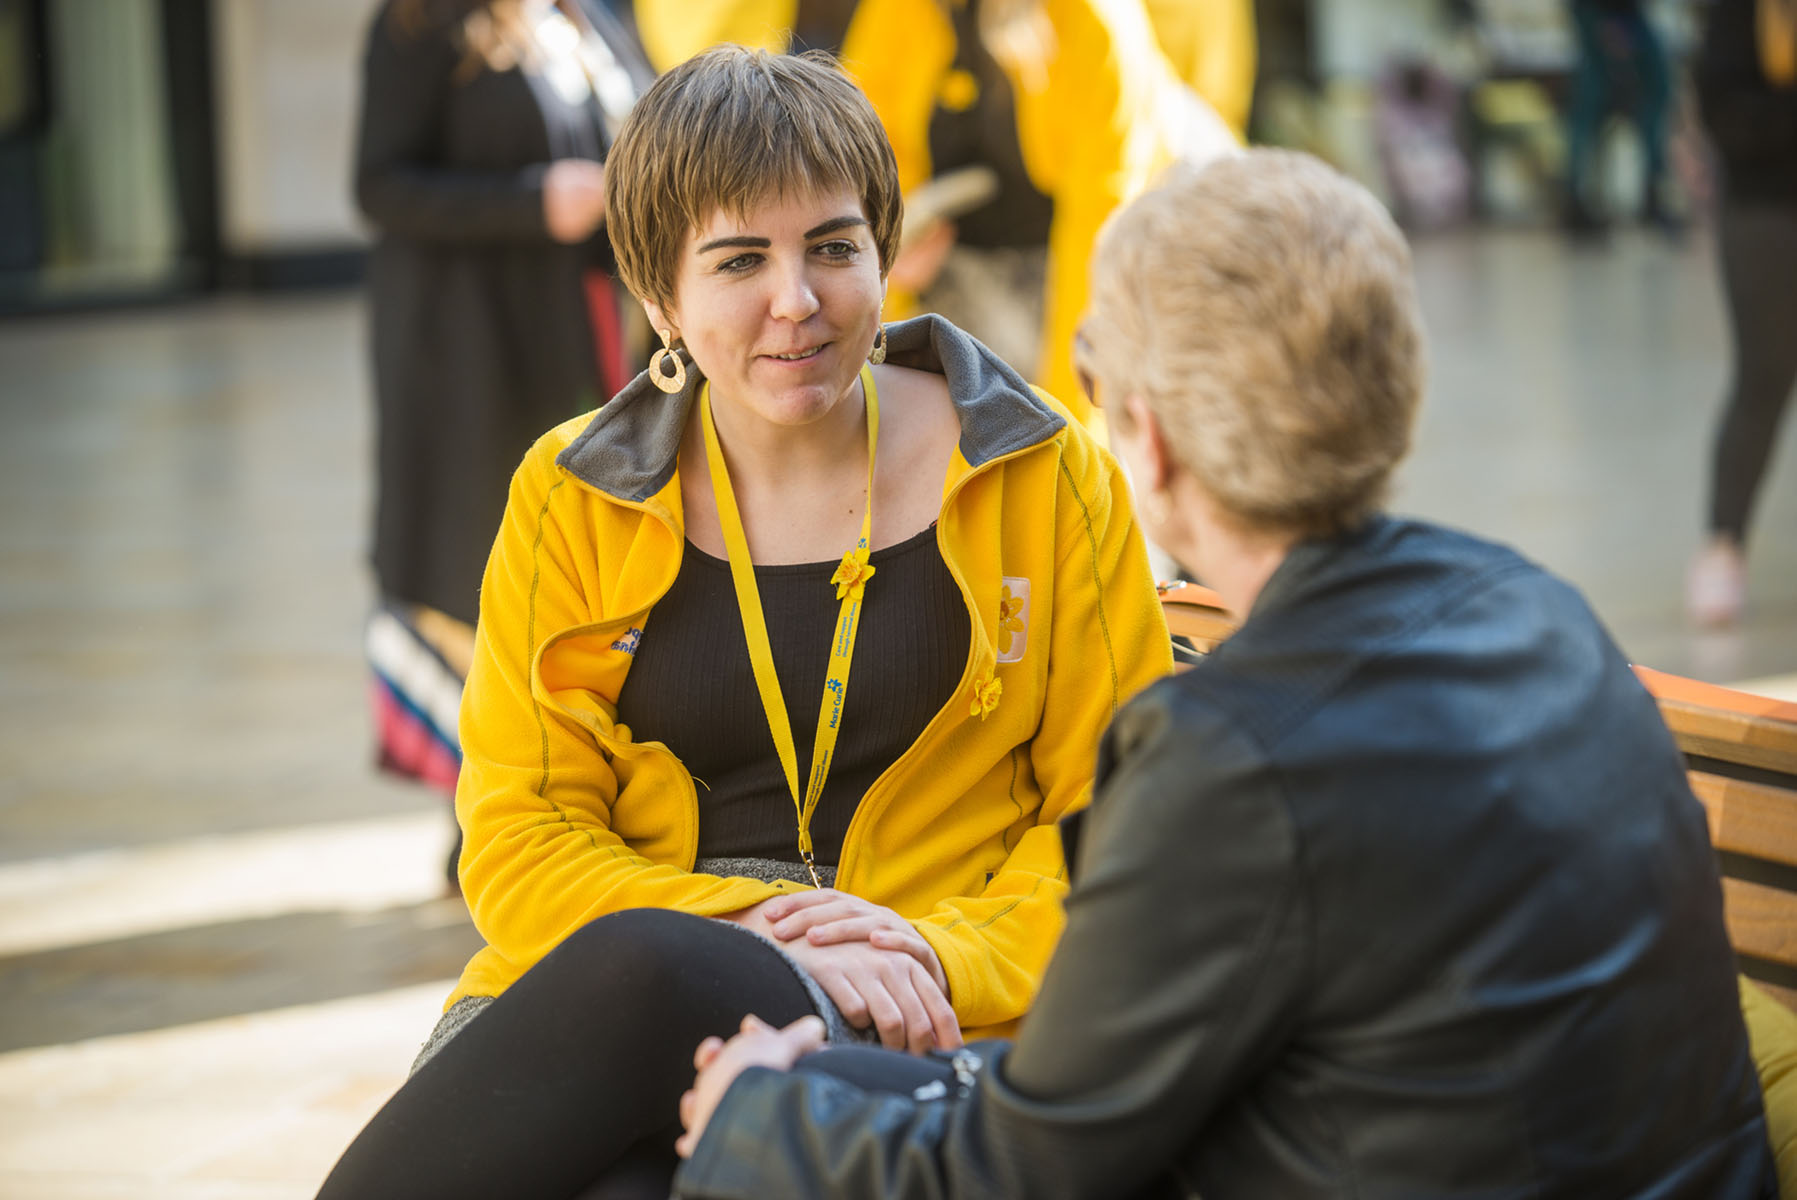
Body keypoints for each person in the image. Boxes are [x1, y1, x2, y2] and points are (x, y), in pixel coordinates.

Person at [668, 149, 1778, 1199]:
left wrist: (759, 1115)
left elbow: (1024, 1171)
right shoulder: (1539, 610)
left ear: (1145, 440)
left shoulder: (1228, 757)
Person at [316, 45, 1171, 1200]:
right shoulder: (571, 495)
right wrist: (762, 929)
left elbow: (1119, 830)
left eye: (833, 246)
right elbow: (518, 842)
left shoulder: (1045, 473)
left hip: (929, 1003)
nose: (797, 300)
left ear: (887, 251)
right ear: (660, 297)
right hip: (621, 999)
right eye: (738, 260)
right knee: (637, 1050)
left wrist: (931, 951)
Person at [354, 0, 653, 879]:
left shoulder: (598, 16)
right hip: (469, 353)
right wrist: (531, 201)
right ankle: (488, 810)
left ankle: (580, 789)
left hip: (583, 335)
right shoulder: (421, 23)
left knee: (582, 555)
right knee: (482, 559)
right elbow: (379, 185)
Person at [1685, 0, 1797, 627]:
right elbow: (1726, 112)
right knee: (1765, 377)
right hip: (1766, 209)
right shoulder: (1741, 14)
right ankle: (1723, 544)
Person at [1560, 0, 1678, 236]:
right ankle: (1575, 197)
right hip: (1602, 8)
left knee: (1656, 88)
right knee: (1592, 99)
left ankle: (1651, 192)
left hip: (1623, 9)